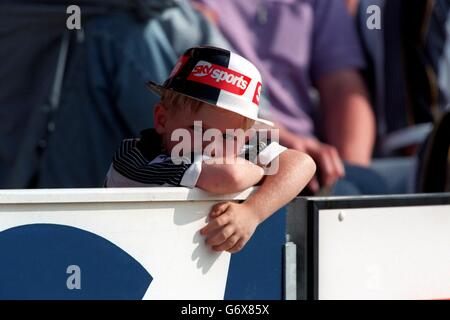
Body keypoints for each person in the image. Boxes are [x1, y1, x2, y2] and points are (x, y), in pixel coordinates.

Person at [105, 46, 316, 253]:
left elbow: (303, 163)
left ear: (247, 136)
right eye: (198, 130)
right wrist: (260, 170)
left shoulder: (237, 149)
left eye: (228, 136)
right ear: (162, 119)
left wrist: (252, 213)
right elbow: (228, 176)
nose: (213, 146)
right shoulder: (137, 157)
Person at [192, 0, 377, 195]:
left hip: (300, 155)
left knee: (367, 185)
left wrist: (343, 176)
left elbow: (342, 88)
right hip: (229, 150)